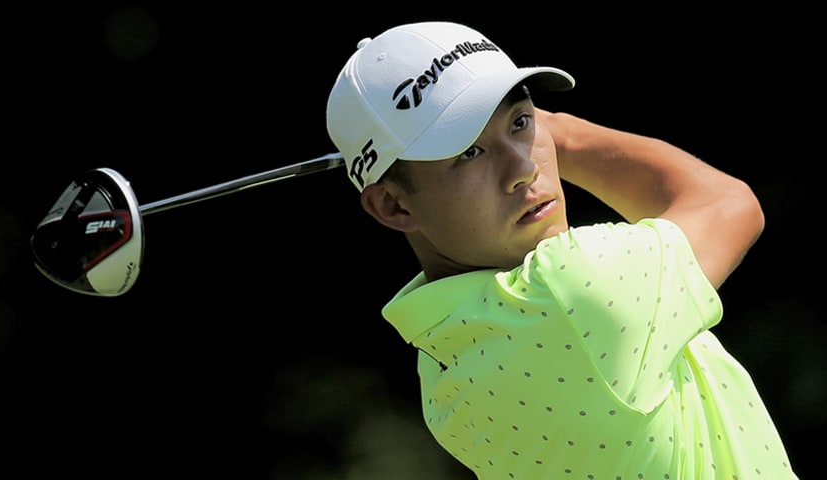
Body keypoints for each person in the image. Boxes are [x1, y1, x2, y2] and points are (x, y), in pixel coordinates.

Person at [325, 21, 798, 479]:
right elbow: (729, 203)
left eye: (520, 123)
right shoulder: (568, 291)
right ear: (391, 204)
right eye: (469, 151)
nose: (523, 167)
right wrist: (561, 133)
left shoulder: (438, 365)